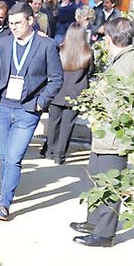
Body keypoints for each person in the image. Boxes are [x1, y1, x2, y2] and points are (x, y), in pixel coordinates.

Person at [0, 4, 63, 220]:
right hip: (4, 105)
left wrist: (41, 102)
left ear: (30, 21)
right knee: (5, 156)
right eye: (11, 23)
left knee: (14, 157)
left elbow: (56, 79)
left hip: (28, 109)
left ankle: (5, 203)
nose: (13, 27)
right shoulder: (3, 43)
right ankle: (3, 194)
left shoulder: (47, 45)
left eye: (18, 23)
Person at [75, 17, 134, 248]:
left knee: (110, 184)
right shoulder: (126, 59)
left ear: (109, 39)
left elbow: (123, 104)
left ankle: (104, 234)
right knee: (96, 177)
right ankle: (93, 222)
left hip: (115, 135)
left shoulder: (127, 63)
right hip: (106, 133)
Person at [42, 24, 95, 165]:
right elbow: (90, 72)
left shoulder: (60, 50)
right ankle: (60, 156)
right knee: (67, 126)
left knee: (53, 123)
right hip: (76, 93)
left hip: (58, 91)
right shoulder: (88, 52)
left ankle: (49, 152)